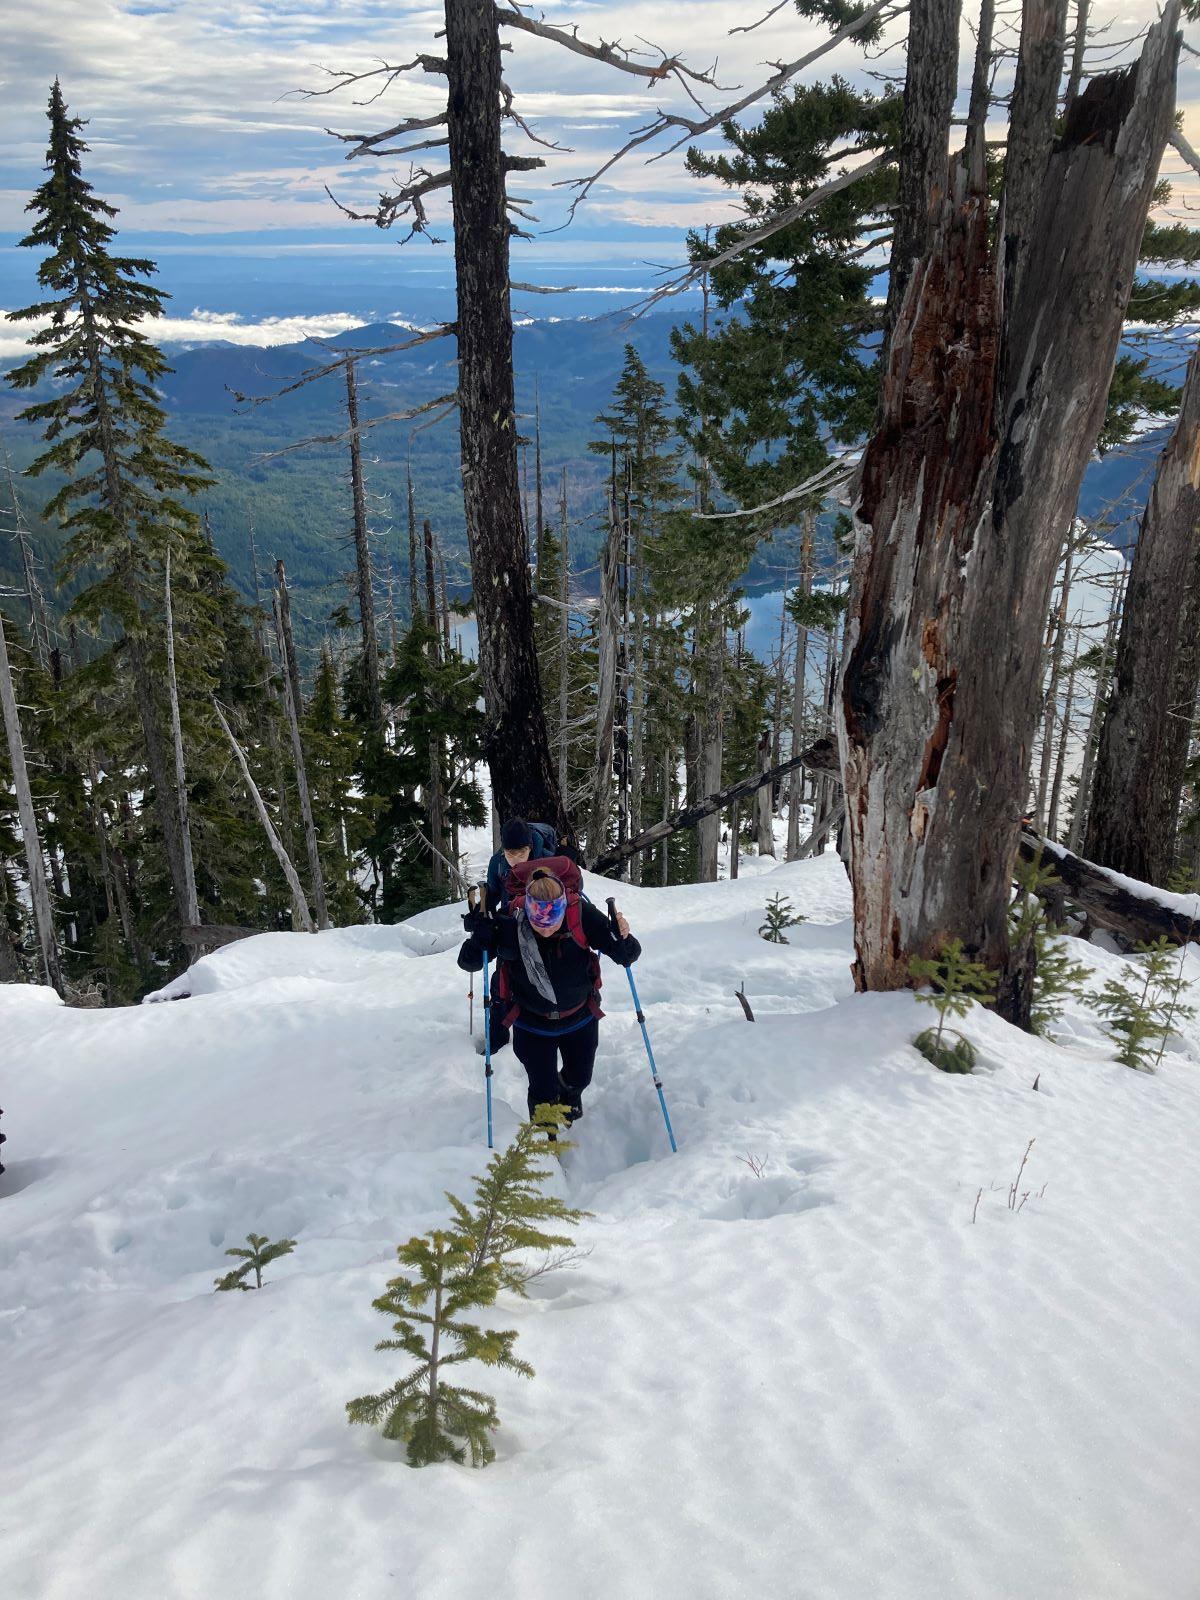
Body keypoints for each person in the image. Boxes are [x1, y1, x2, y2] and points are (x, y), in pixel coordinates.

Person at [458, 862, 640, 1125]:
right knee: (542, 1089)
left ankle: (569, 1103)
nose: (545, 929)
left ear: (563, 907)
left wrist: (622, 936)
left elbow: (628, 955)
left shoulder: (580, 914)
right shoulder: (511, 920)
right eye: (538, 922)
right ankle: (544, 1139)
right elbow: (469, 963)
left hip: (580, 1017)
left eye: (552, 921)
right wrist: (479, 938)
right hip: (531, 1023)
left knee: (580, 1077)